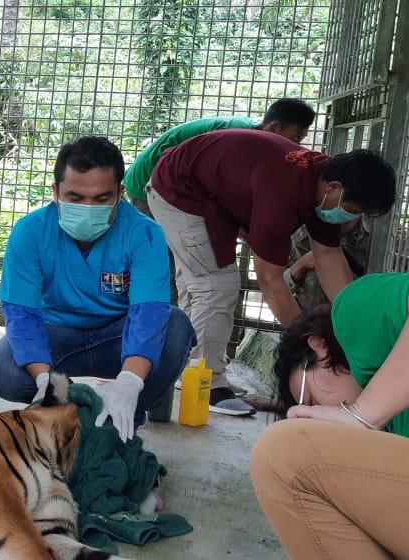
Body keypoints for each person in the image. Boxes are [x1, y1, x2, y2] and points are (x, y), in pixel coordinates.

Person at [148, 130, 396, 416]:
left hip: (210, 193)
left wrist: (353, 320)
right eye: (352, 210)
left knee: (202, 287)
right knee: (216, 286)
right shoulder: (283, 192)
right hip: (179, 191)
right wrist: (309, 338)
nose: (351, 218)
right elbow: (269, 279)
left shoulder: (323, 187)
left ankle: (188, 369)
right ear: (335, 187)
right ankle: (207, 383)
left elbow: (328, 256)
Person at [0, 136, 196, 442]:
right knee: (3, 369)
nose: (87, 208)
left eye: (101, 199)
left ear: (120, 194)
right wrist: (45, 379)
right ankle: (68, 406)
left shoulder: (145, 234)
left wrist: (130, 382)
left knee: (175, 329)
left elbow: (148, 313)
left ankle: (124, 417)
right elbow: (22, 314)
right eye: (75, 197)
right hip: (56, 335)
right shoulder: (30, 232)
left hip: (116, 337)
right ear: (55, 192)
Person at [251, 273, 409, 559]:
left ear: (318, 346)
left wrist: (363, 414)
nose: (311, 416)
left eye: (307, 399)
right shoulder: (393, 423)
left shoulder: (352, 311)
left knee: (284, 452)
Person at [123, 98, 317, 216]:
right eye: (296, 137)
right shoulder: (241, 138)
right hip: (146, 182)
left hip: (164, 182)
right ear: (274, 127)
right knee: (167, 255)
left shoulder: (251, 136)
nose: (296, 146)